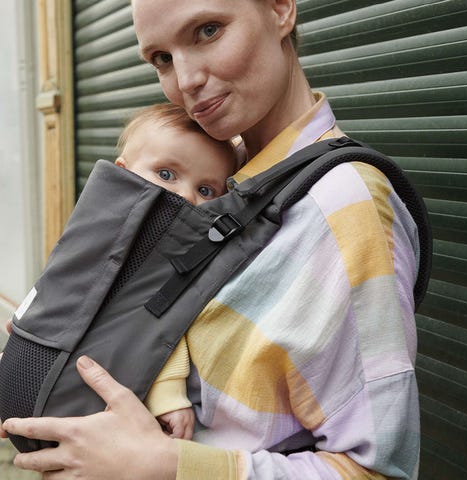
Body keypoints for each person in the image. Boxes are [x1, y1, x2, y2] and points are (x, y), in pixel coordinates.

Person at [1, 0, 421, 478]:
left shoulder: (342, 206)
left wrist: (163, 464)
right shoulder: (223, 175)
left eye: (207, 31)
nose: (185, 81)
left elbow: (375, 470)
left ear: (280, 9)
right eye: (161, 58)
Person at [115, 102, 237, 439]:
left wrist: (166, 394)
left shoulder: (187, 251)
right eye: (166, 174)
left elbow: (165, 320)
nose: (185, 196)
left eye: (205, 190)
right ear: (122, 173)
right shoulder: (108, 231)